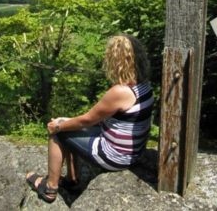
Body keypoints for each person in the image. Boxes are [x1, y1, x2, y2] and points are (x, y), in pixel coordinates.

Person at [25, 34, 154, 203]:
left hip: (115, 156)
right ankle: (72, 180)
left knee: (59, 131)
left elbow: (87, 120)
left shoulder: (120, 91)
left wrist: (57, 127)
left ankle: (50, 187)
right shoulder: (144, 86)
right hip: (133, 152)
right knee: (66, 124)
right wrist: (66, 122)